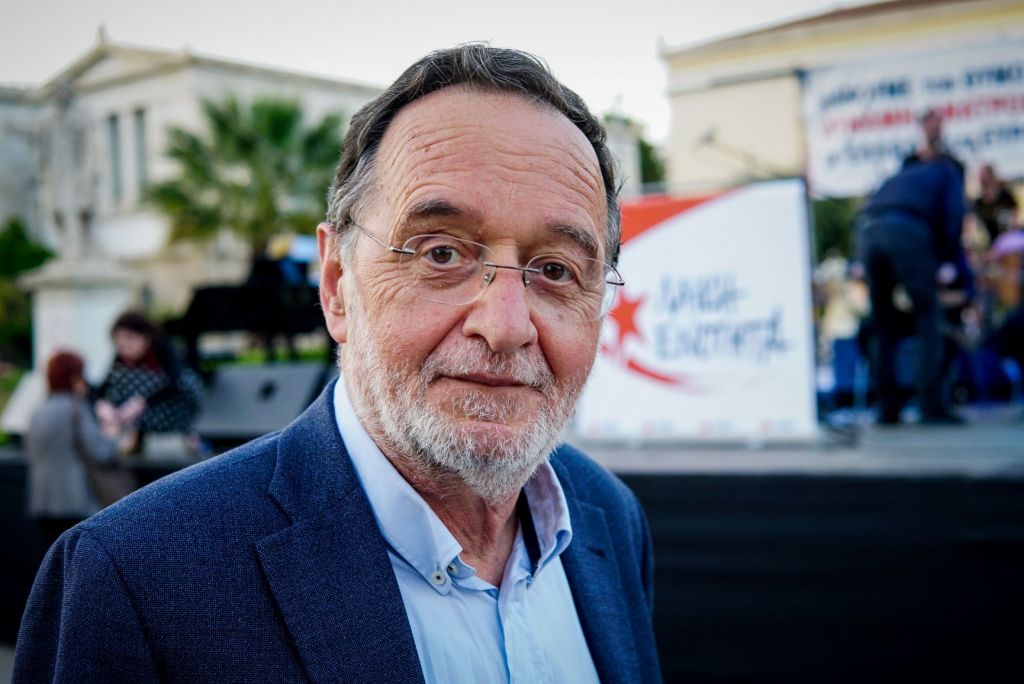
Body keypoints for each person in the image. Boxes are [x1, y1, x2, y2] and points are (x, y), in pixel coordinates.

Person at [15, 45, 661, 683]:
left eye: (556, 270)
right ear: (335, 284)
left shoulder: (610, 520)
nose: (506, 325)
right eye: (441, 253)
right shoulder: (135, 581)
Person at [856, 157, 966, 425]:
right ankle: (931, 406)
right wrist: (944, 259)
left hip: (867, 232)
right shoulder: (948, 175)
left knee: (882, 324)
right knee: (929, 317)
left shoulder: (899, 177)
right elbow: (953, 218)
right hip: (906, 232)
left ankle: (887, 409)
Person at [23, 351, 119, 547]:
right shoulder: (76, 409)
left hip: (41, 500)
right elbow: (101, 452)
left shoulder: (38, 412)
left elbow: (29, 454)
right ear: (74, 377)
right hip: (75, 499)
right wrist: (114, 433)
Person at [94, 311, 203, 450]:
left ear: (145, 337)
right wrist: (103, 405)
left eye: (129, 338)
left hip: (173, 410)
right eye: (119, 340)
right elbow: (105, 386)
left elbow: (176, 382)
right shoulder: (122, 358)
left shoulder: (163, 350)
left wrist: (139, 404)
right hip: (135, 416)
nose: (124, 345)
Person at [902, 108, 965, 181]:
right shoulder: (911, 164)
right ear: (923, 127)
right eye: (930, 125)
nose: (933, 128)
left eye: (936, 126)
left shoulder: (952, 164)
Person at [974, 163, 1019, 244]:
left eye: (985, 176)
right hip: (988, 243)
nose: (982, 178)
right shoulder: (978, 202)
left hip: (1007, 241)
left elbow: (1014, 219)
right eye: (981, 176)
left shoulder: (1005, 196)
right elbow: (975, 228)